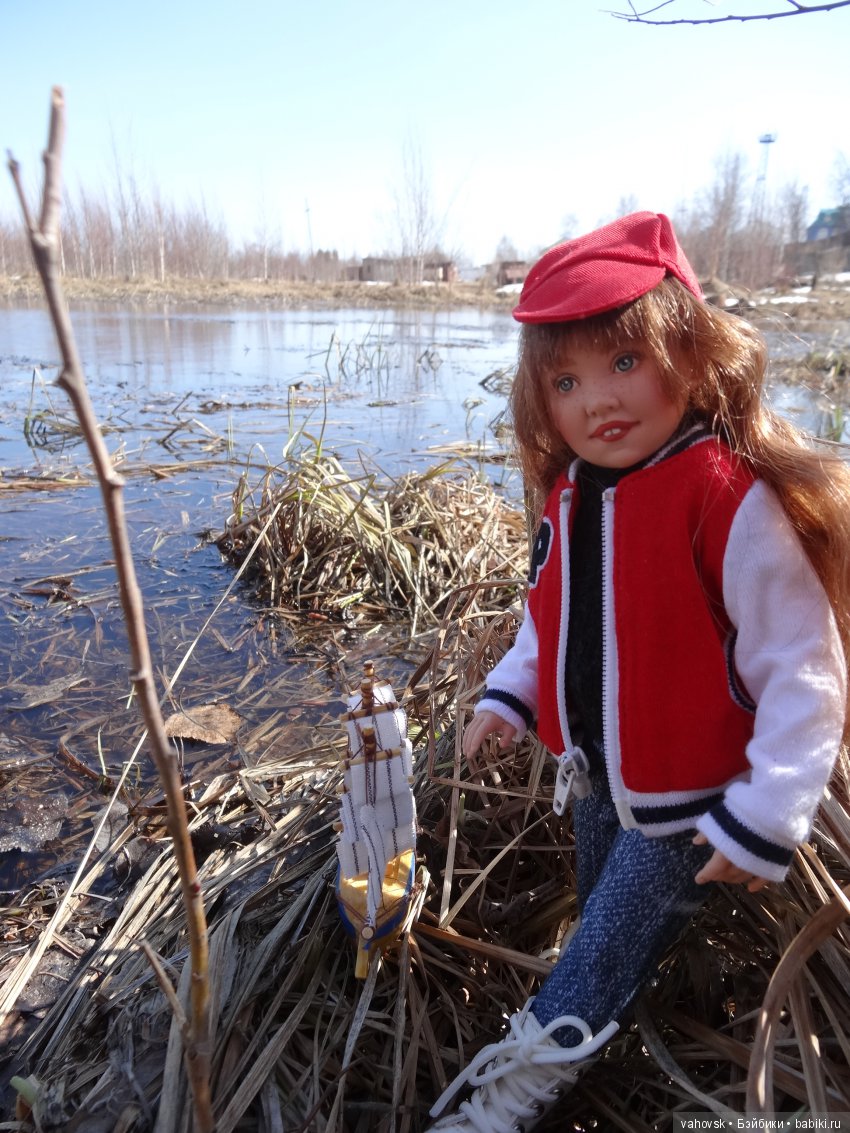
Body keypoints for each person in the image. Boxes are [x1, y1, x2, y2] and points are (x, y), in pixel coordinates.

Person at [427, 211, 850, 1133]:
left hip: (691, 801)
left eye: (626, 362)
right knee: (605, 928)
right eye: (566, 380)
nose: (596, 401)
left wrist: (770, 809)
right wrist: (510, 691)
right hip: (598, 776)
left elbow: (803, 664)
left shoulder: (724, 495)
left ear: (692, 354)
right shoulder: (575, 494)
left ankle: (514, 1091)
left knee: (596, 951)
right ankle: (626, 1008)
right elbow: (551, 622)